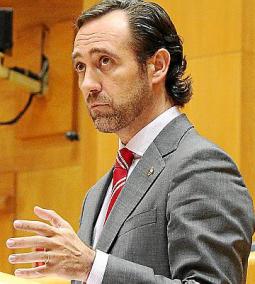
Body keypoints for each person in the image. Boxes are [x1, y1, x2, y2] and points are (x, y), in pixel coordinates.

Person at [6, 0, 255, 283]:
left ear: (157, 66)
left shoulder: (202, 167)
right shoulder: (97, 193)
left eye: (104, 61)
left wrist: (91, 267)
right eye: (80, 66)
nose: (88, 83)